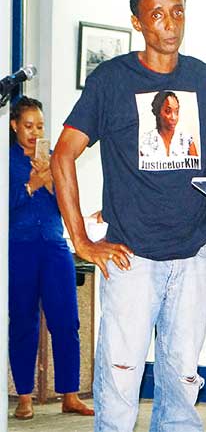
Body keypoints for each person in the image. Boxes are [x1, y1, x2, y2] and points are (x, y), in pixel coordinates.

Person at [50, 0, 206, 431]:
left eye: (177, 12)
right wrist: (81, 241)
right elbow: (62, 156)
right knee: (119, 385)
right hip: (132, 259)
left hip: (193, 255)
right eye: (156, 15)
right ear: (137, 22)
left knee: (182, 386)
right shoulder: (112, 81)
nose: (170, 24)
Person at [8, 96, 95, 420]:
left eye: (40, 126)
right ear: (14, 125)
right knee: (23, 322)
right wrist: (30, 186)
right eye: (28, 126)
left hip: (55, 248)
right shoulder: (7, 160)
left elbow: (66, 205)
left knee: (66, 322)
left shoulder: (55, 158)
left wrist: (50, 183)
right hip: (19, 247)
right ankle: (25, 397)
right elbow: (6, 208)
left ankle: (69, 395)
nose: (34, 132)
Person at [139, 90, 198, 158]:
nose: (173, 117)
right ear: (157, 112)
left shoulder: (186, 141)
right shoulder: (144, 142)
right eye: (168, 111)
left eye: (176, 111)